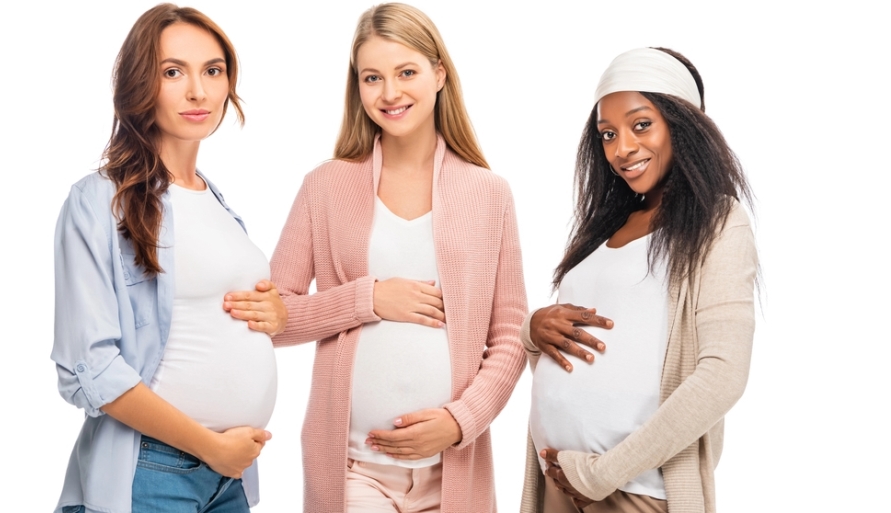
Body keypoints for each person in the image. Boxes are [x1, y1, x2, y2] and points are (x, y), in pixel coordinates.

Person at [269, 3, 527, 512]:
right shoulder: (325, 186)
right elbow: (275, 316)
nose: (389, 93)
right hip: (353, 468)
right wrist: (369, 298)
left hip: (453, 468)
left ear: (439, 74)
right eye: (372, 77)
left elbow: (510, 336)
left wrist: (460, 421)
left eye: (406, 72)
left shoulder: (489, 193)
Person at [51, 4, 287, 513]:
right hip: (154, 474)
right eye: (173, 72)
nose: (198, 91)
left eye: (213, 70)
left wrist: (277, 315)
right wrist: (208, 445)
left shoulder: (218, 203)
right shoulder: (99, 200)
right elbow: (89, 368)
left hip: (232, 477)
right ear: (141, 84)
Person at [520, 47, 757, 513]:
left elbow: (723, 375)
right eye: (607, 134)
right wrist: (534, 332)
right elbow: (572, 356)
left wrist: (603, 472)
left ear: (683, 125)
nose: (621, 148)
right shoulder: (604, 228)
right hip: (560, 479)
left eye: (641, 124)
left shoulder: (720, 221)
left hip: (635, 489)